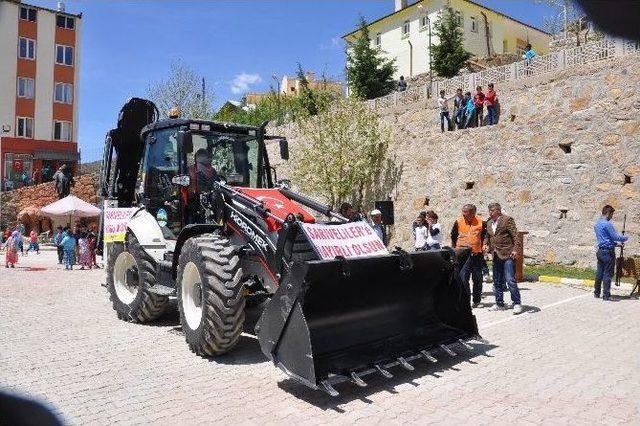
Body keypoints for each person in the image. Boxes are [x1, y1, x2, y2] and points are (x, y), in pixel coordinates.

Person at [483, 203, 523, 314]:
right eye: (489, 210)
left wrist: (515, 249)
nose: (490, 212)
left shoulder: (507, 220)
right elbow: (487, 236)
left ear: (498, 211)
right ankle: (499, 303)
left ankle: (517, 303)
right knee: (497, 281)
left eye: (492, 210)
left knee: (510, 280)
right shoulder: (489, 222)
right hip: (495, 254)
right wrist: (485, 244)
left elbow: (515, 236)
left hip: (508, 254)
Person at [451, 204, 486, 307]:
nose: (463, 213)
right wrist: (454, 251)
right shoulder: (458, 221)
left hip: (477, 254)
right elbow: (453, 236)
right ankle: (466, 301)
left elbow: (485, 235)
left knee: (478, 279)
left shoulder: (481, 222)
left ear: (472, 213)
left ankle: (477, 301)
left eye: (465, 212)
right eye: (463, 211)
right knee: (463, 278)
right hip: (463, 255)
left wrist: (485, 245)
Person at [593, 205, 629, 300]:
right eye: (612, 214)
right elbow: (614, 237)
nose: (612, 217)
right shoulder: (607, 224)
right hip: (608, 253)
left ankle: (596, 293)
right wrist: (625, 238)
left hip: (600, 251)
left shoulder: (597, 224)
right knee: (607, 274)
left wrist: (617, 245)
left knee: (599, 273)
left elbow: (606, 240)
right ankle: (606, 295)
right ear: (608, 213)